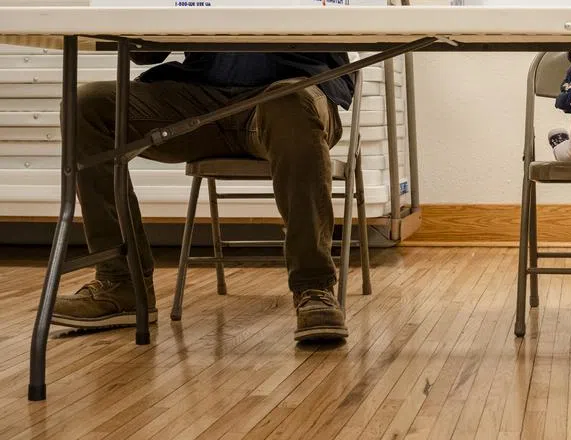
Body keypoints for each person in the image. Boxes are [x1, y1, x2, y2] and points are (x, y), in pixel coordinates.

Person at [51, 51, 355, 342]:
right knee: (86, 108)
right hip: (200, 96)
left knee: (290, 101)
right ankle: (122, 283)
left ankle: (314, 286)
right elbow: (145, 54)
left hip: (291, 93)